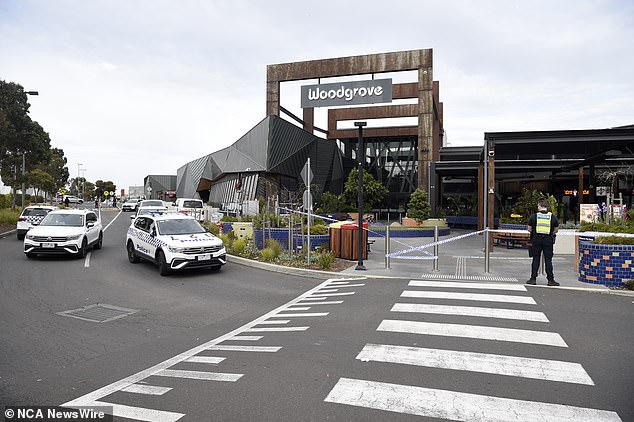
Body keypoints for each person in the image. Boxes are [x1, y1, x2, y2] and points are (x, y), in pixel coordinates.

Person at [526, 199, 559, 286]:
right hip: (548, 240)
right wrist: (550, 233)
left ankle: (533, 279)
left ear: (540, 206)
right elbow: (556, 230)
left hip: (536, 239)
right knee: (548, 260)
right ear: (546, 207)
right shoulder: (553, 216)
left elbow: (529, 229)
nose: (537, 208)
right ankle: (551, 280)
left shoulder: (533, 216)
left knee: (536, 259)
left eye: (538, 206)